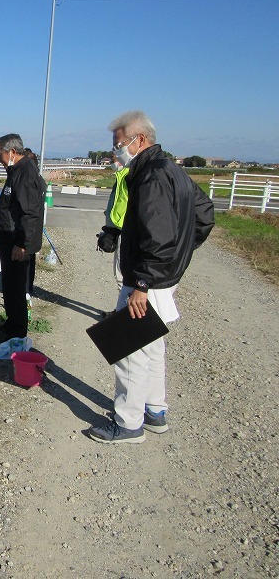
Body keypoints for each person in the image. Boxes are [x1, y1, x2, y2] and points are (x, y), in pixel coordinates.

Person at [88, 110, 215, 444]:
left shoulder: (150, 176)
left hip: (145, 280)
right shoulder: (172, 169)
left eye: (119, 144)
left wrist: (143, 282)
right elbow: (204, 215)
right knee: (153, 345)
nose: (116, 151)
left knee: (129, 351)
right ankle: (155, 411)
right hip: (162, 276)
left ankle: (129, 423)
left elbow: (157, 235)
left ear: (138, 140)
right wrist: (180, 255)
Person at [0, 134, 46, 341]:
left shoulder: (25, 174)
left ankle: (17, 331)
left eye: (0, 154)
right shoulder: (16, 171)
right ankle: (12, 323)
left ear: (12, 152)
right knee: (10, 288)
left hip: (16, 244)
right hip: (9, 240)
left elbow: (29, 213)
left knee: (15, 289)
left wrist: (21, 244)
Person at [96, 156, 130, 315]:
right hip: (118, 229)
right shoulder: (121, 176)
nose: (112, 158)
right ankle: (122, 310)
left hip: (127, 231)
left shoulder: (129, 176)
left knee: (122, 276)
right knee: (121, 275)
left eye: (116, 152)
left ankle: (124, 314)